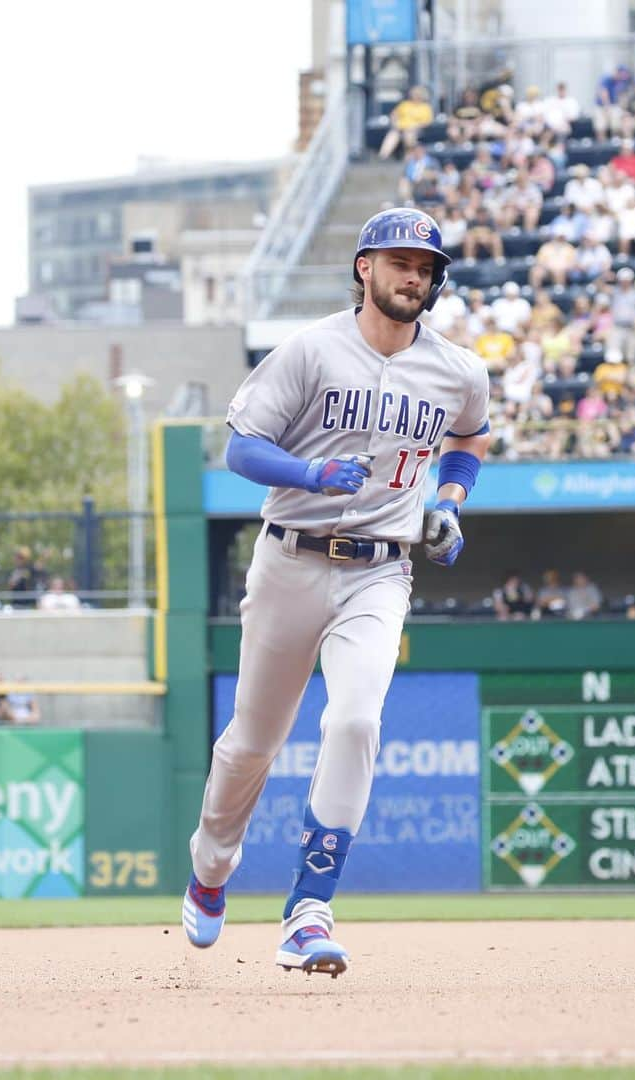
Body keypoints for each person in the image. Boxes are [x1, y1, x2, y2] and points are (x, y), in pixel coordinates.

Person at [181, 207, 490, 975]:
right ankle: (211, 866)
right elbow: (242, 448)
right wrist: (308, 472)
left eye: (423, 268)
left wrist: (448, 504)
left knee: (356, 721)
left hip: (382, 568)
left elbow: (469, 437)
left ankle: (309, 910)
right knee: (253, 741)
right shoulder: (311, 350)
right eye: (397, 263)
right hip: (291, 559)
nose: (411, 276)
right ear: (364, 268)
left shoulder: (458, 369)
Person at [378, 85, 433, 160]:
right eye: (413, 94)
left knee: (408, 135)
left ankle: (408, 156)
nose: (414, 96)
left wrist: (415, 126)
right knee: (392, 135)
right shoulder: (405, 104)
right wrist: (395, 123)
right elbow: (394, 114)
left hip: (415, 129)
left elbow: (427, 122)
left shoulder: (425, 107)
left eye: (416, 94)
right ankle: (383, 156)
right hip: (400, 127)